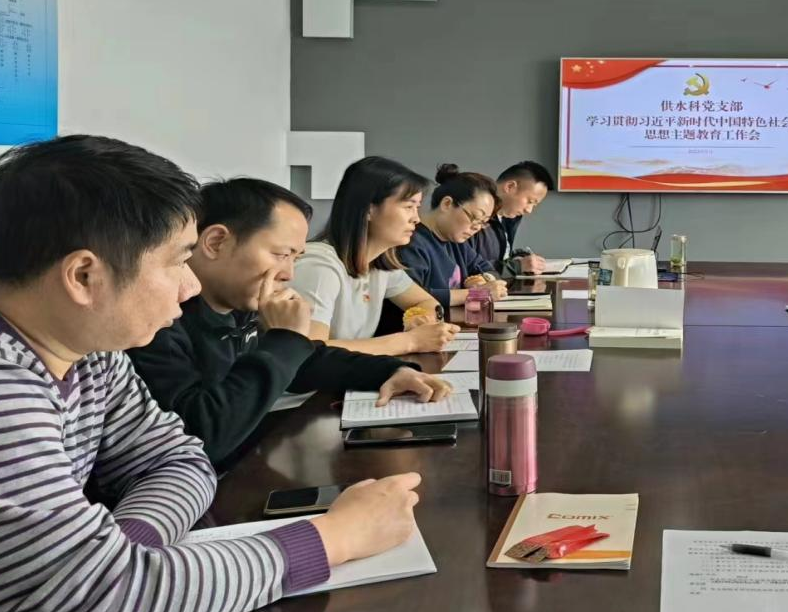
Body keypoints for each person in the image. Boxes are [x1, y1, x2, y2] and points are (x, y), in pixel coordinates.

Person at [0, 135, 420, 612]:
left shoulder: (87, 349)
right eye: (175, 262)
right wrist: (334, 538)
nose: (189, 287)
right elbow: (104, 604)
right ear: (84, 276)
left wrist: (93, 568)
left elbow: (180, 458)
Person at [129, 178, 453, 471]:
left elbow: (306, 360)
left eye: (294, 259)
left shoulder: (239, 307)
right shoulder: (157, 322)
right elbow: (200, 437)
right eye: (281, 255)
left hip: (250, 463)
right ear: (215, 242)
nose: (288, 275)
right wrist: (283, 340)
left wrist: (391, 371)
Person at [290, 156, 460, 356]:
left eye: (417, 208)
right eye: (408, 207)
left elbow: (428, 302)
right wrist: (410, 341)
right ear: (368, 209)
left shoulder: (379, 265)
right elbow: (308, 353)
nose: (416, 218)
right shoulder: (319, 266)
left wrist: (420, 319)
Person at [396, 164, 509, 308]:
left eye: (482, 222)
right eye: (474, 217)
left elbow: (489, 269)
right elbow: (413, 297)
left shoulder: (457, 243)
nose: (476, 227)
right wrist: (475, 293)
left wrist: (483, 279)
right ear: (447, 204)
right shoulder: (410, 243)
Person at [470, 160, 555, 276]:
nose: (529, 210)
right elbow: (469, 269)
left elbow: (498, 258)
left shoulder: (509, 217)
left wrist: (519, 258)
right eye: (530, 201)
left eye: (534, 205)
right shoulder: (474, 217)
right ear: (510, 187)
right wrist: (516, 266)